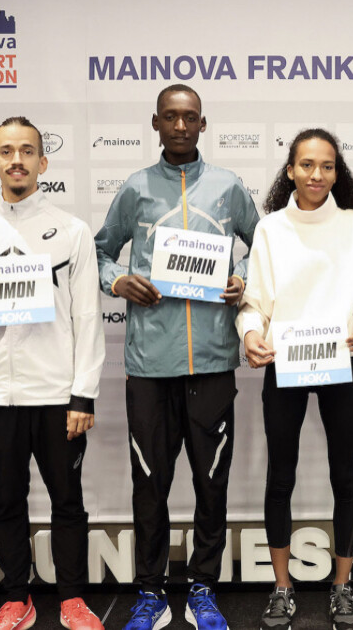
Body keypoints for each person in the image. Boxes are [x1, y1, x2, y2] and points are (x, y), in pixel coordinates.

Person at [94, 84, 259, 630]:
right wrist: (117, 280)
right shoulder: (136, 188)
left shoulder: (228, 186)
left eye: (190, 117)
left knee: (212, 483)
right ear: (156, 123)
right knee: (150, 485)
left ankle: (203, 589)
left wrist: (243, 280)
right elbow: (98, 251)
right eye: (171, 117)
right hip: (149, 366)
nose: (181, 126)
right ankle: (150, 592)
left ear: (203, 124)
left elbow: (267, 248)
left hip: (212, 363)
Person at [0, 117, 106, 630]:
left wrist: (83, 395)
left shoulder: (72, 231)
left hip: (57, 394)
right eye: (6, 151)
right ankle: (16, 599)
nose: (16, 160)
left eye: (26, 151)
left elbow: (88, 317)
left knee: (68, 503)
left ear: (43, 161)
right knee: (6, 502)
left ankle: (73, 599)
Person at [237, 128, 353, 630]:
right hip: (286, 363)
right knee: (281, 476)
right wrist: (250, 333)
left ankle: (342, 586)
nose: (316, 174)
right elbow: (254, 304)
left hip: (340, 362)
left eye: (326, 166)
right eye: (306, 165)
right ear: (290, 170)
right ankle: (282, 588)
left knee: (345, 475)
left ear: (337, 173)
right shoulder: (271, 229)